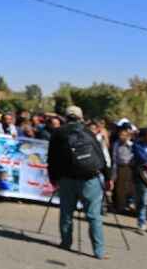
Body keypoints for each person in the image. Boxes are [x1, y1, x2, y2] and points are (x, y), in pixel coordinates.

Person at [47, 105, 112, 260]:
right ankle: (99, 251)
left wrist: (53, 176)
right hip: (89, 178)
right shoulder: (88, 131)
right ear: (80, 116)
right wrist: (108, 177)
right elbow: (100, 155)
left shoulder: (59, 133)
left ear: (66, 116)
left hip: (67, 179)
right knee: (93, 215)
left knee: (66, 212)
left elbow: (52, 158)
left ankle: (65, 242)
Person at [111, 125, 136, 212]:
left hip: (130, 167)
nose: (121, 137)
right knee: (120, 188)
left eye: (123, 135)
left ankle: (132, 205)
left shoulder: (132, 145)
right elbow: (114, 158)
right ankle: (121, 206)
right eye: (120, 135)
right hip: (120, 167)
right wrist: (113, 173)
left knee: (131, 187)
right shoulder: (116, 145)